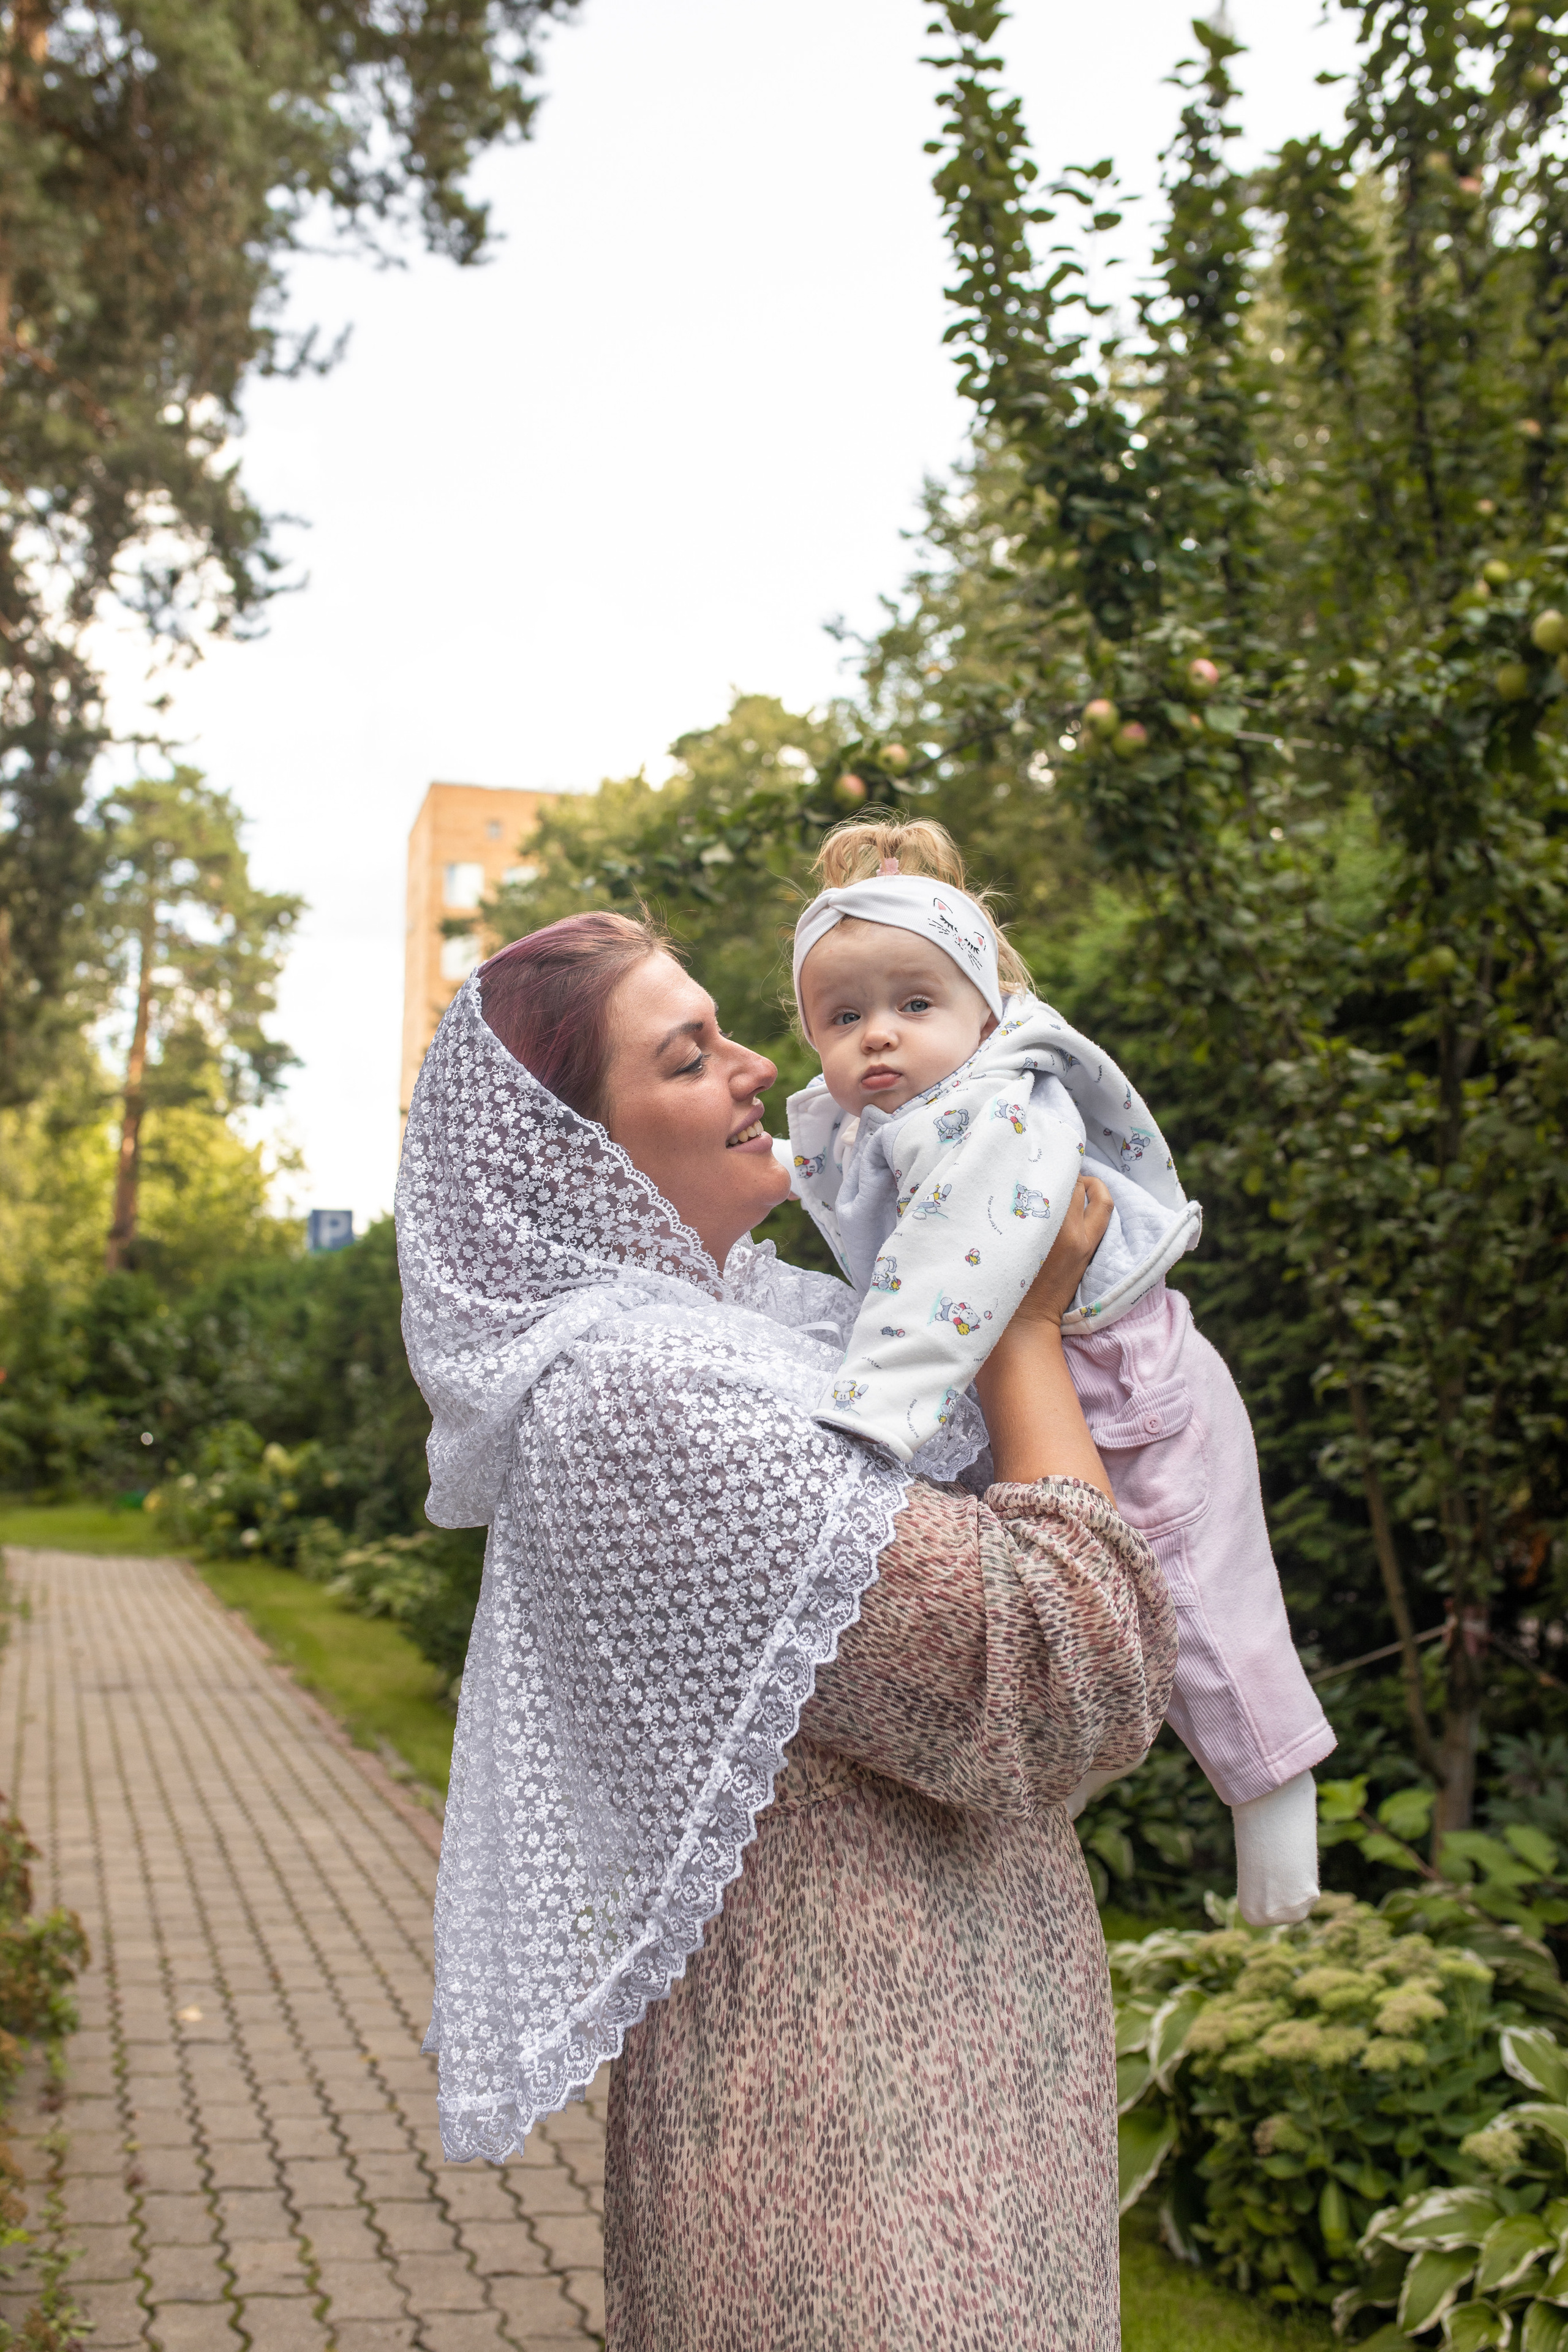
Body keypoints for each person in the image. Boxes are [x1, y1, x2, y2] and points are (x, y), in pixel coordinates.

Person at [397, 907, 1176, 2350]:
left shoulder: (765, 1336)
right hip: (856, 2170)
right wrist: (1013, 1323)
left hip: (916, 2101)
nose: (757, 1065)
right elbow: (1073, 1669)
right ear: (585, 1165)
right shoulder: (653, 1403)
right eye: (688, 1058)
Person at [783, 820, 1334, 1929]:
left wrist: (870, 1416)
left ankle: (1281, 1834)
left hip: (1136, 1394)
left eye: (915, 1005)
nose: (877, 1036)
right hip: (1070, 1388)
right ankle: (1076, 1771)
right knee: (1072, 1602)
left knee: (1200, 1599)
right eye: (843, 1017)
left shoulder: (997, 1109)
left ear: (987, 1013)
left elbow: (951, 1269)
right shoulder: (897, 1121)